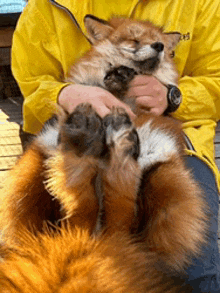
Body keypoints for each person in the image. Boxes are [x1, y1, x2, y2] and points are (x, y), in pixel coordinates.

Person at [11, 0, 220, 291]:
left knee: (197, 272)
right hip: (73, 129)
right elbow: (32, 83)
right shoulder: (47, 7)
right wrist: (65, 92)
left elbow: (216, 80)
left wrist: (173, 96)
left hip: (171, 139)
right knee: (22, 251)